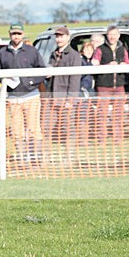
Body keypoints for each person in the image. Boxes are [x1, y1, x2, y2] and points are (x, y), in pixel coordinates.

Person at [0, 22, 46, 166]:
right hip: (13, 98)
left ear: (23, 35)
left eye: (18, 33)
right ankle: (22, 158)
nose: (16, 36)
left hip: (31, 96)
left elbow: (41, 70)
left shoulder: (32, 51)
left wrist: (31, 82)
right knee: (17, 132)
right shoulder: (2, 53)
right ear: (9, 34)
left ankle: (36, 157)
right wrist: (6, 81)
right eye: (13, 33)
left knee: (34, 129)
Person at [45, 26, 81, 159]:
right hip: (51, 97)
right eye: (57, 36)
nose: (59, 39)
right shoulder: (53, 54)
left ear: (68, 37)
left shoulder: (74, 56)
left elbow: (75, 79)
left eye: (61, 36)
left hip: (65, 98)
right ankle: (46, 156)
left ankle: (69, 157)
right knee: (47, 128)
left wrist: (70, 99)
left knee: (68, 129)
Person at [91, 25, 129, 144]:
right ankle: (101, 139)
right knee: (102, 114)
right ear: (106, 36)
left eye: (114, 34)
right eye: (110, 34)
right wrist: (108, 66)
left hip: (119, 85)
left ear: (118, 35)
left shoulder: (122, 49)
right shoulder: (100, 49)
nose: (112, 37)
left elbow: (128, 64)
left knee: (119, 114)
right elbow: (95, 64)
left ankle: (118, 139)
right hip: (103, 85)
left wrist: (122, 65)